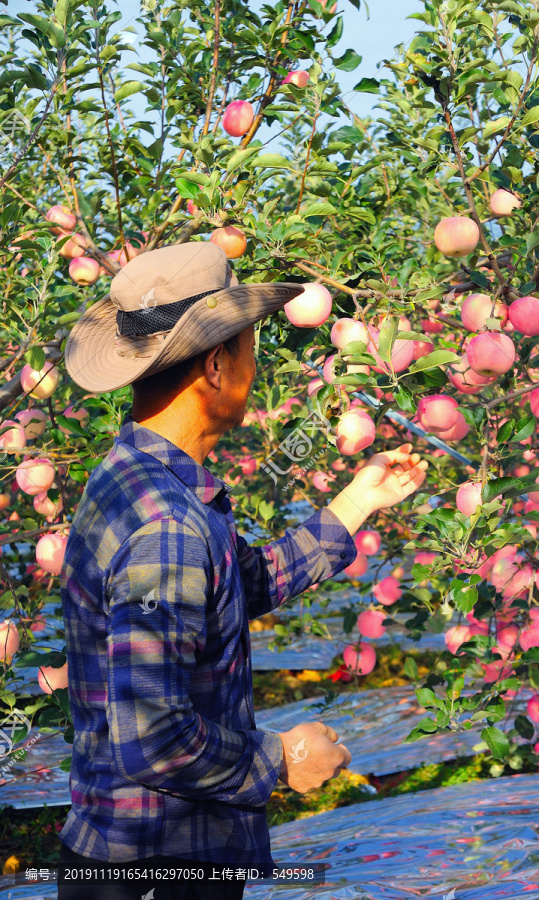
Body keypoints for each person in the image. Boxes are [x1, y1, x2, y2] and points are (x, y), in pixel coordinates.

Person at [57, 241, 428, 899]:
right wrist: (284, 758)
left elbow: (225, 590)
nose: (258, 371)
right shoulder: (167, 523)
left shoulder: (131, 477)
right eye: (250, 349)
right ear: (217, 364)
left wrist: (355, 502)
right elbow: (154, 738)